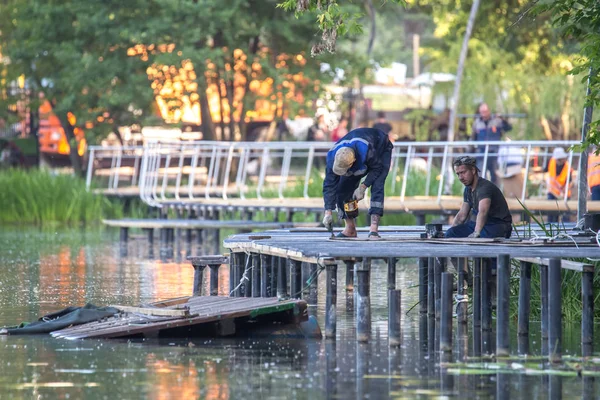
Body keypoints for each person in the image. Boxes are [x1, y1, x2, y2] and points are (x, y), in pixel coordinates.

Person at [322, 127, 393, 238]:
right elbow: (329, 185)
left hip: (381, 149)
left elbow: (377, 169)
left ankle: (373, 229)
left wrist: (363, 186)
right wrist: (328, 212)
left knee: (377, 185)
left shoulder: (366, 151)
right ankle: (350, 229)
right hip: (360, 154)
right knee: (343, 190)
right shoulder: (332, 157)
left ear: (353, 162)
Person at [445, 155, 512, 239]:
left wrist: (476, 233)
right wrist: (451, 231)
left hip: (497, 225)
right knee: (450, 233)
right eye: (458, 174)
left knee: (483, 237)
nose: (460, 177)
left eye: (463, 172)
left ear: (473, 170)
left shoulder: (484, 187)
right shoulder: (468, 189)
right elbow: (462, 215)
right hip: (477, 224)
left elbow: (483, 212)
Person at [471, 103, 512, 184]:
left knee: (495, 175)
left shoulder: (497, 121)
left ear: (489, 111)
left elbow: (508, 128)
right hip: (481, 153)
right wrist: (471, 150)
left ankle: (496, 194)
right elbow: (473, 138)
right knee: (480, 175)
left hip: (493, 152)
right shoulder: (477, 123)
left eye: (485, 111)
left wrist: (503, 119)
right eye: (482, 112)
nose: (484, 114)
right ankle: (483, 195)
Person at [546, 147, 572, 223]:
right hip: (552, 192)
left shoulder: (567, 167)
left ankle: (567, 228)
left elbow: (569, 181)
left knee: (565, 214)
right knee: (552, 213)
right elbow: (550, 177)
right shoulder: (552, 163)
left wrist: (563, 191)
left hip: (564, 194)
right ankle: (550, 227)